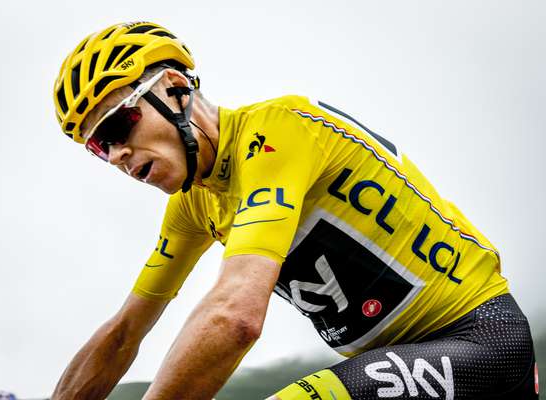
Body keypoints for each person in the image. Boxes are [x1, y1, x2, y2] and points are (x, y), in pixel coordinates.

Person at [51, 21, 538, 400]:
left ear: (175, 88)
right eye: (98, 146)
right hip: (394, 364)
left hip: (481, 340)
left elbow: (234, 317)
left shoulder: (278, 131)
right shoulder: (194, 206)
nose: (114, 154)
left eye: (118, 125)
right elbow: (123, 335)